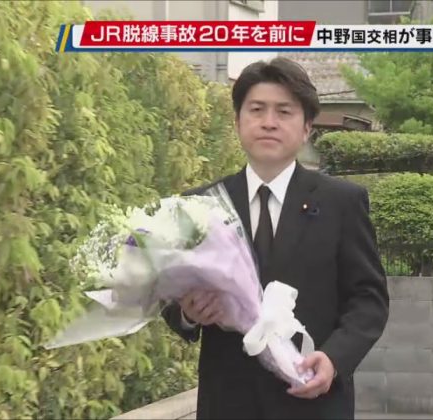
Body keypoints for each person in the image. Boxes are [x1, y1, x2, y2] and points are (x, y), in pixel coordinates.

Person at [162, 57, 389, 419]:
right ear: (238, 122)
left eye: (284, 111)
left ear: (306, 127)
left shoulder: (341, 202)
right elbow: (171, 300)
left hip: (313, 402)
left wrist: (334, 358)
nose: (269, 122)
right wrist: (188, 313)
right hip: (228, 404)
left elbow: (368, 300)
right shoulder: (200, 205)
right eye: (257, 110)